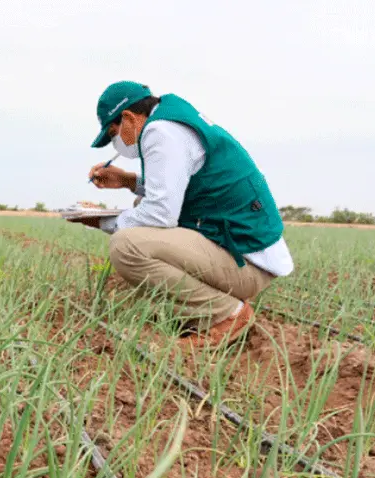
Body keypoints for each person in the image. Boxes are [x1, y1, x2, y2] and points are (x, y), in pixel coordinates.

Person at [80, 81, 294, 347]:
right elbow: (178, 185)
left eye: (114, 133)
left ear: (128, 118)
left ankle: (226, 315)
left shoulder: (161, 132)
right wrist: (128, 181)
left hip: (247, 265)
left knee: (125, 245)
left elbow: (161, 214)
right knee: (139, 208)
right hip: (245, 254)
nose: (116, 143)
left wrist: (100, 221)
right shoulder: (172, 120)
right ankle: (204, 306)